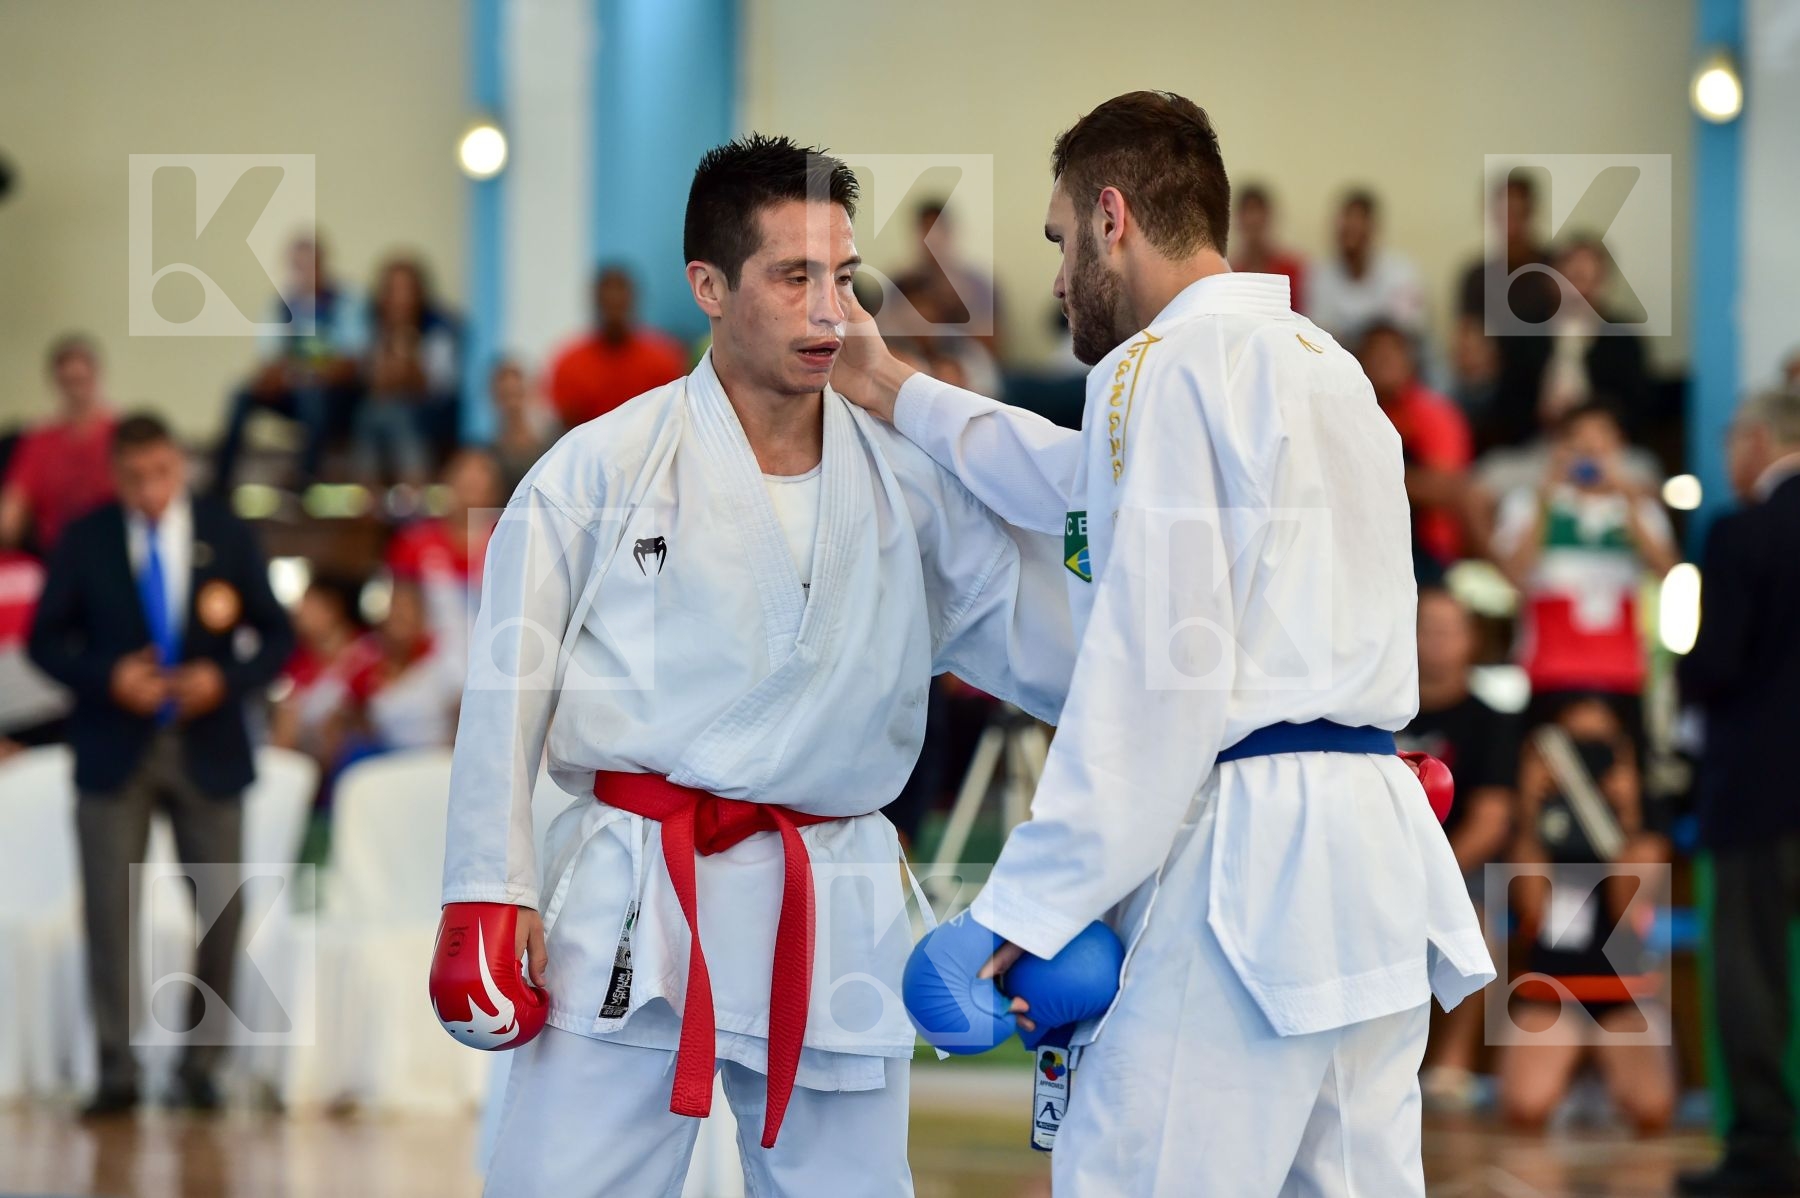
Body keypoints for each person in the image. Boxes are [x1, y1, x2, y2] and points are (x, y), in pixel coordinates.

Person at [832, 90, 1492, 1196]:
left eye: (1055, 241)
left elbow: (1156, 679)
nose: (1052, 281)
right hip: (1370, 858)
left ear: (1110, 216)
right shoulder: (1325, 367)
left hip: (1247, 873)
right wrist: (892, 385)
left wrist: (1022, 905)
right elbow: (1071, 480)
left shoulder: (1161, 368)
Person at [435, 135, 1069, 1197]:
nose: (831, 312)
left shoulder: (907, 476)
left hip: (832, 894)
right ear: (709, 287)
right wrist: (488, 890)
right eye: (794, 277)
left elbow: (1045, 645)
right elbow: (507, 686)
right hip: (642, 893)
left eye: (844, 278)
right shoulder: (602, 467)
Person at [26, 413, 294, 1115]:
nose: (150, 491)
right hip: (115, 749)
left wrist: (225, 682)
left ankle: (198, 1070)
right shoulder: (84, 538)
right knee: (109, 916)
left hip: (207, 746)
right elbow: (44, 641)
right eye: (136, 478)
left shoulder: (225, 530)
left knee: (221, 912)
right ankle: (115, 1071)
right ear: (116, 475)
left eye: (162, 474)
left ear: (181, 466)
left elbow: (276, 632)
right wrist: (107, 675)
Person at [1677, 384, 1800, 1196]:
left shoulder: (1740, 532)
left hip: (1760, 791)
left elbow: (1713, 663)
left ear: (1757, 442)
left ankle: (1761, 1153)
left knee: (1752, 975)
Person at [1499, 698, 1675, 1135]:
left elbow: (1626, 921)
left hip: (1622, 995)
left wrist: (1624, 813)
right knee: (1526, 1106)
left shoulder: (1646, 839)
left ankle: (1601, 1074)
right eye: (1573, 745)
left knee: (1652, 1110)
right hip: (1552, 992)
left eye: (1600, 746)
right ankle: (1578, 1075)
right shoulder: (1538, 832)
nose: (1586, 758)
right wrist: (1531, 804)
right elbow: (1531, 908)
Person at [1490, 400, 1677, 737]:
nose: (1591, 452)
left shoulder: (1640, 508)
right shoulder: (1528, 503)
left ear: (1620, 447)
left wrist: (1629, 501)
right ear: (1560, 447)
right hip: (1549, 667)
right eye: (1580, 442)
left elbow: (1667, 570)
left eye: (1602, 441)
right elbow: (1513, 574)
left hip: (1623, 669)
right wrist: (1545, 498)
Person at [1402, 587, 1517, 1110]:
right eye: (1426, 627)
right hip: (1370, 860)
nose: (1435, 641)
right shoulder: (1378, 708)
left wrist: (1431, 877)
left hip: (1453, 867)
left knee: (1478, 917)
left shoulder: (1492, 720)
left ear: (1471, 641)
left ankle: (1452, 1063)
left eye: (1448, 630)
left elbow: (1491, 821)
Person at [212, 235, 368, 493]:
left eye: (311, 265)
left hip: (337, 399)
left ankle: (304, 480)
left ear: (323, 264)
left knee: (313, 396)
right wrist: (288, 376)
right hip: (294, 392)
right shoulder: (280, 306)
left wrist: (301, 374)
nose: (305, 273)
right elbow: (269, 365)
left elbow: (350, 365)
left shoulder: (347, 303)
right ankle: (220, 482)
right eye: (298, 266)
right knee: (241, 394)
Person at [1359, 321, 1476, 566]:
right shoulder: (1357, 412)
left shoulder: (1433, 412)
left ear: (1410, 360)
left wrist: (1371, 475)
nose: (1384, 362)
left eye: (1392, 353)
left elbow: (1447, 488)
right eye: (1376, 354)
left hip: (1428, 550)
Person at [0, 335, 117, 555]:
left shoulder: (120, 435)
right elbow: (11, 515)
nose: (76, 391)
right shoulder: (39, 441)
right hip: (57, 554)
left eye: (82, 380)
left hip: (112, 550)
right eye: (69, 382)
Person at [353, 256, 461, 487]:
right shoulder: (371, 325)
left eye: (406, 290)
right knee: (374, 412)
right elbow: (374, 382)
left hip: (431, 412)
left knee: (394, 413)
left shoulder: (439, 327)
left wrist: (407, 352)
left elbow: (437, 386)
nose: (400, 299)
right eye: (393, 290)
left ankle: (412, 487)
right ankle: (369, 494)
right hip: (380, 413)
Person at [545, 264, 689, 428]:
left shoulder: (664, 358)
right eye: (608, 300)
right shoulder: (569, 364)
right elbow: (568, 432)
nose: (614, 304)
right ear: (595, 302)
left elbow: (673, 420)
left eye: (620, 300)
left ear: (633, 300)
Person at [1306, 187, 1428, 346]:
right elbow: (1318, 333)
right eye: (1346, 221)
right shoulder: (1320, 274)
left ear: (1373, 227)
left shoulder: (1402, 272)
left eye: (1359, 221)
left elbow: (1410, 330)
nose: (1352, 227)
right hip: (1341, 360)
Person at [486, 358, 558, 500]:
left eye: (517, 393)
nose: (512, 404)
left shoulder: (552, 443)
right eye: (505, 395)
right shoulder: (490, 454)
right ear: (494, 399)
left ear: (530, 392)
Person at [1229, 182, 1306, 313]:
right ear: (1238, 220)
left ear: (1268, 217)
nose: (1252, 219)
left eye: (1257, 211)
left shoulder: (1292, 270)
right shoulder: (1229, 273)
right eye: (1247, 211)